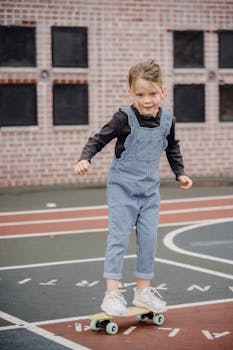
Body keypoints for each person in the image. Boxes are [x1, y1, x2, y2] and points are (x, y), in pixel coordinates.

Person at [74, 60, 193, 317]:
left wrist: (180, 173)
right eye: (140, 94)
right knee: (118, 238)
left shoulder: (168, 120)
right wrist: (85, 158)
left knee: (148, 240)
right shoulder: (123, 118)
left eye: (152, 94)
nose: (146, 100)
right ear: (131, 93)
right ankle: (112, 294)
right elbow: (98, 139)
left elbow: (172, 147)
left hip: (150, 192)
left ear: (162, 91)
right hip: (122, 189)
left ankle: (143, 291)